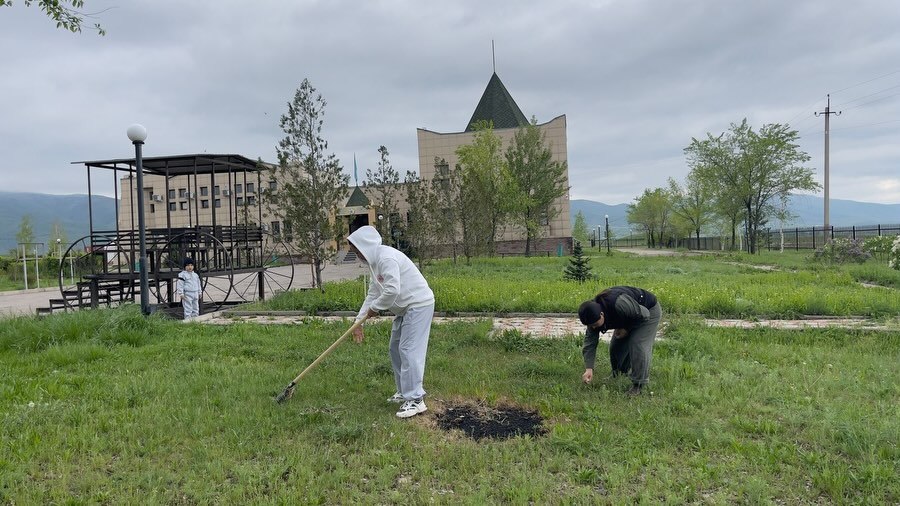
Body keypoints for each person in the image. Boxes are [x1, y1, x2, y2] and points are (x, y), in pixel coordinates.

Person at [348, 225, 435, 419]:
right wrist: (359, 321)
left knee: (409, 349)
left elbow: (392, 290)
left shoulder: (386, 258)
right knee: (395, 348)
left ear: (366, 246)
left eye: (357, 250)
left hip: (418, 304)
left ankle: (416, 400)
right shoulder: (374, 263)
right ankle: (404, 392)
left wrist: (375, 309)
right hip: (404, 308)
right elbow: (374, 292)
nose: (357, 255)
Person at [578, 286, 662, 396]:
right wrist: (589, 369)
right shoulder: (591, 315)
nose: (593, 328)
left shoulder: (619, 304)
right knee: (616, 345)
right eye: (590, 326)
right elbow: (590, 343)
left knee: (637, 344)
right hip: (629, 315)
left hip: (648, 311)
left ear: (602, 315)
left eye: (595, 325)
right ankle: (618, 373)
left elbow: (644, 314)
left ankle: (639, 385)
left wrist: (626, 329)